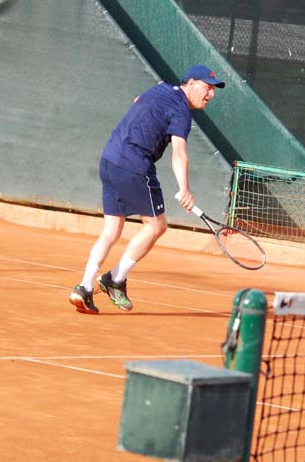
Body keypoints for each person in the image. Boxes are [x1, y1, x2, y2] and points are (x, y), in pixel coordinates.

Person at [69, 64, 225, 314]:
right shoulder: (182, 112)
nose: (211, 94)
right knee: (156, 226)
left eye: (213, 89)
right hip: (134, 165)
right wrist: (184, 189)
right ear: (191, 83)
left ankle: (84, 287)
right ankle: (115, 279)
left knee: (112, 228)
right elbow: (179, 153)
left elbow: (138, 100)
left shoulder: (161, 89)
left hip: (110, 159)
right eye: (207, 87)